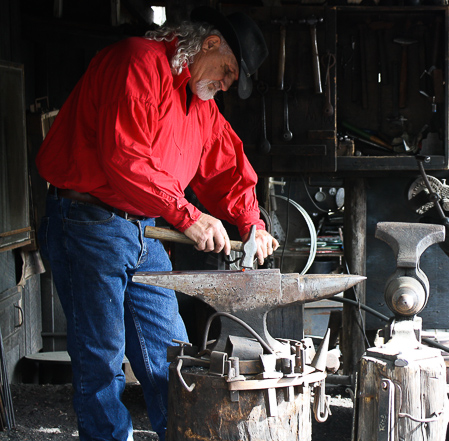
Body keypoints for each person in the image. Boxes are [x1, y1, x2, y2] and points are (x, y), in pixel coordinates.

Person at [36, 6, 278, 441]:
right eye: (227, 70)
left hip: (142, 226)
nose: (225, 84)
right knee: (102, 359)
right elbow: (125, 157)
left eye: (230, 80)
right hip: (88, 221)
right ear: (208, 43)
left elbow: (226, 165)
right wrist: (190, 216)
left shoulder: (199, 103)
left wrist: (251, 223)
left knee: (171, 353)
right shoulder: (137, 61)